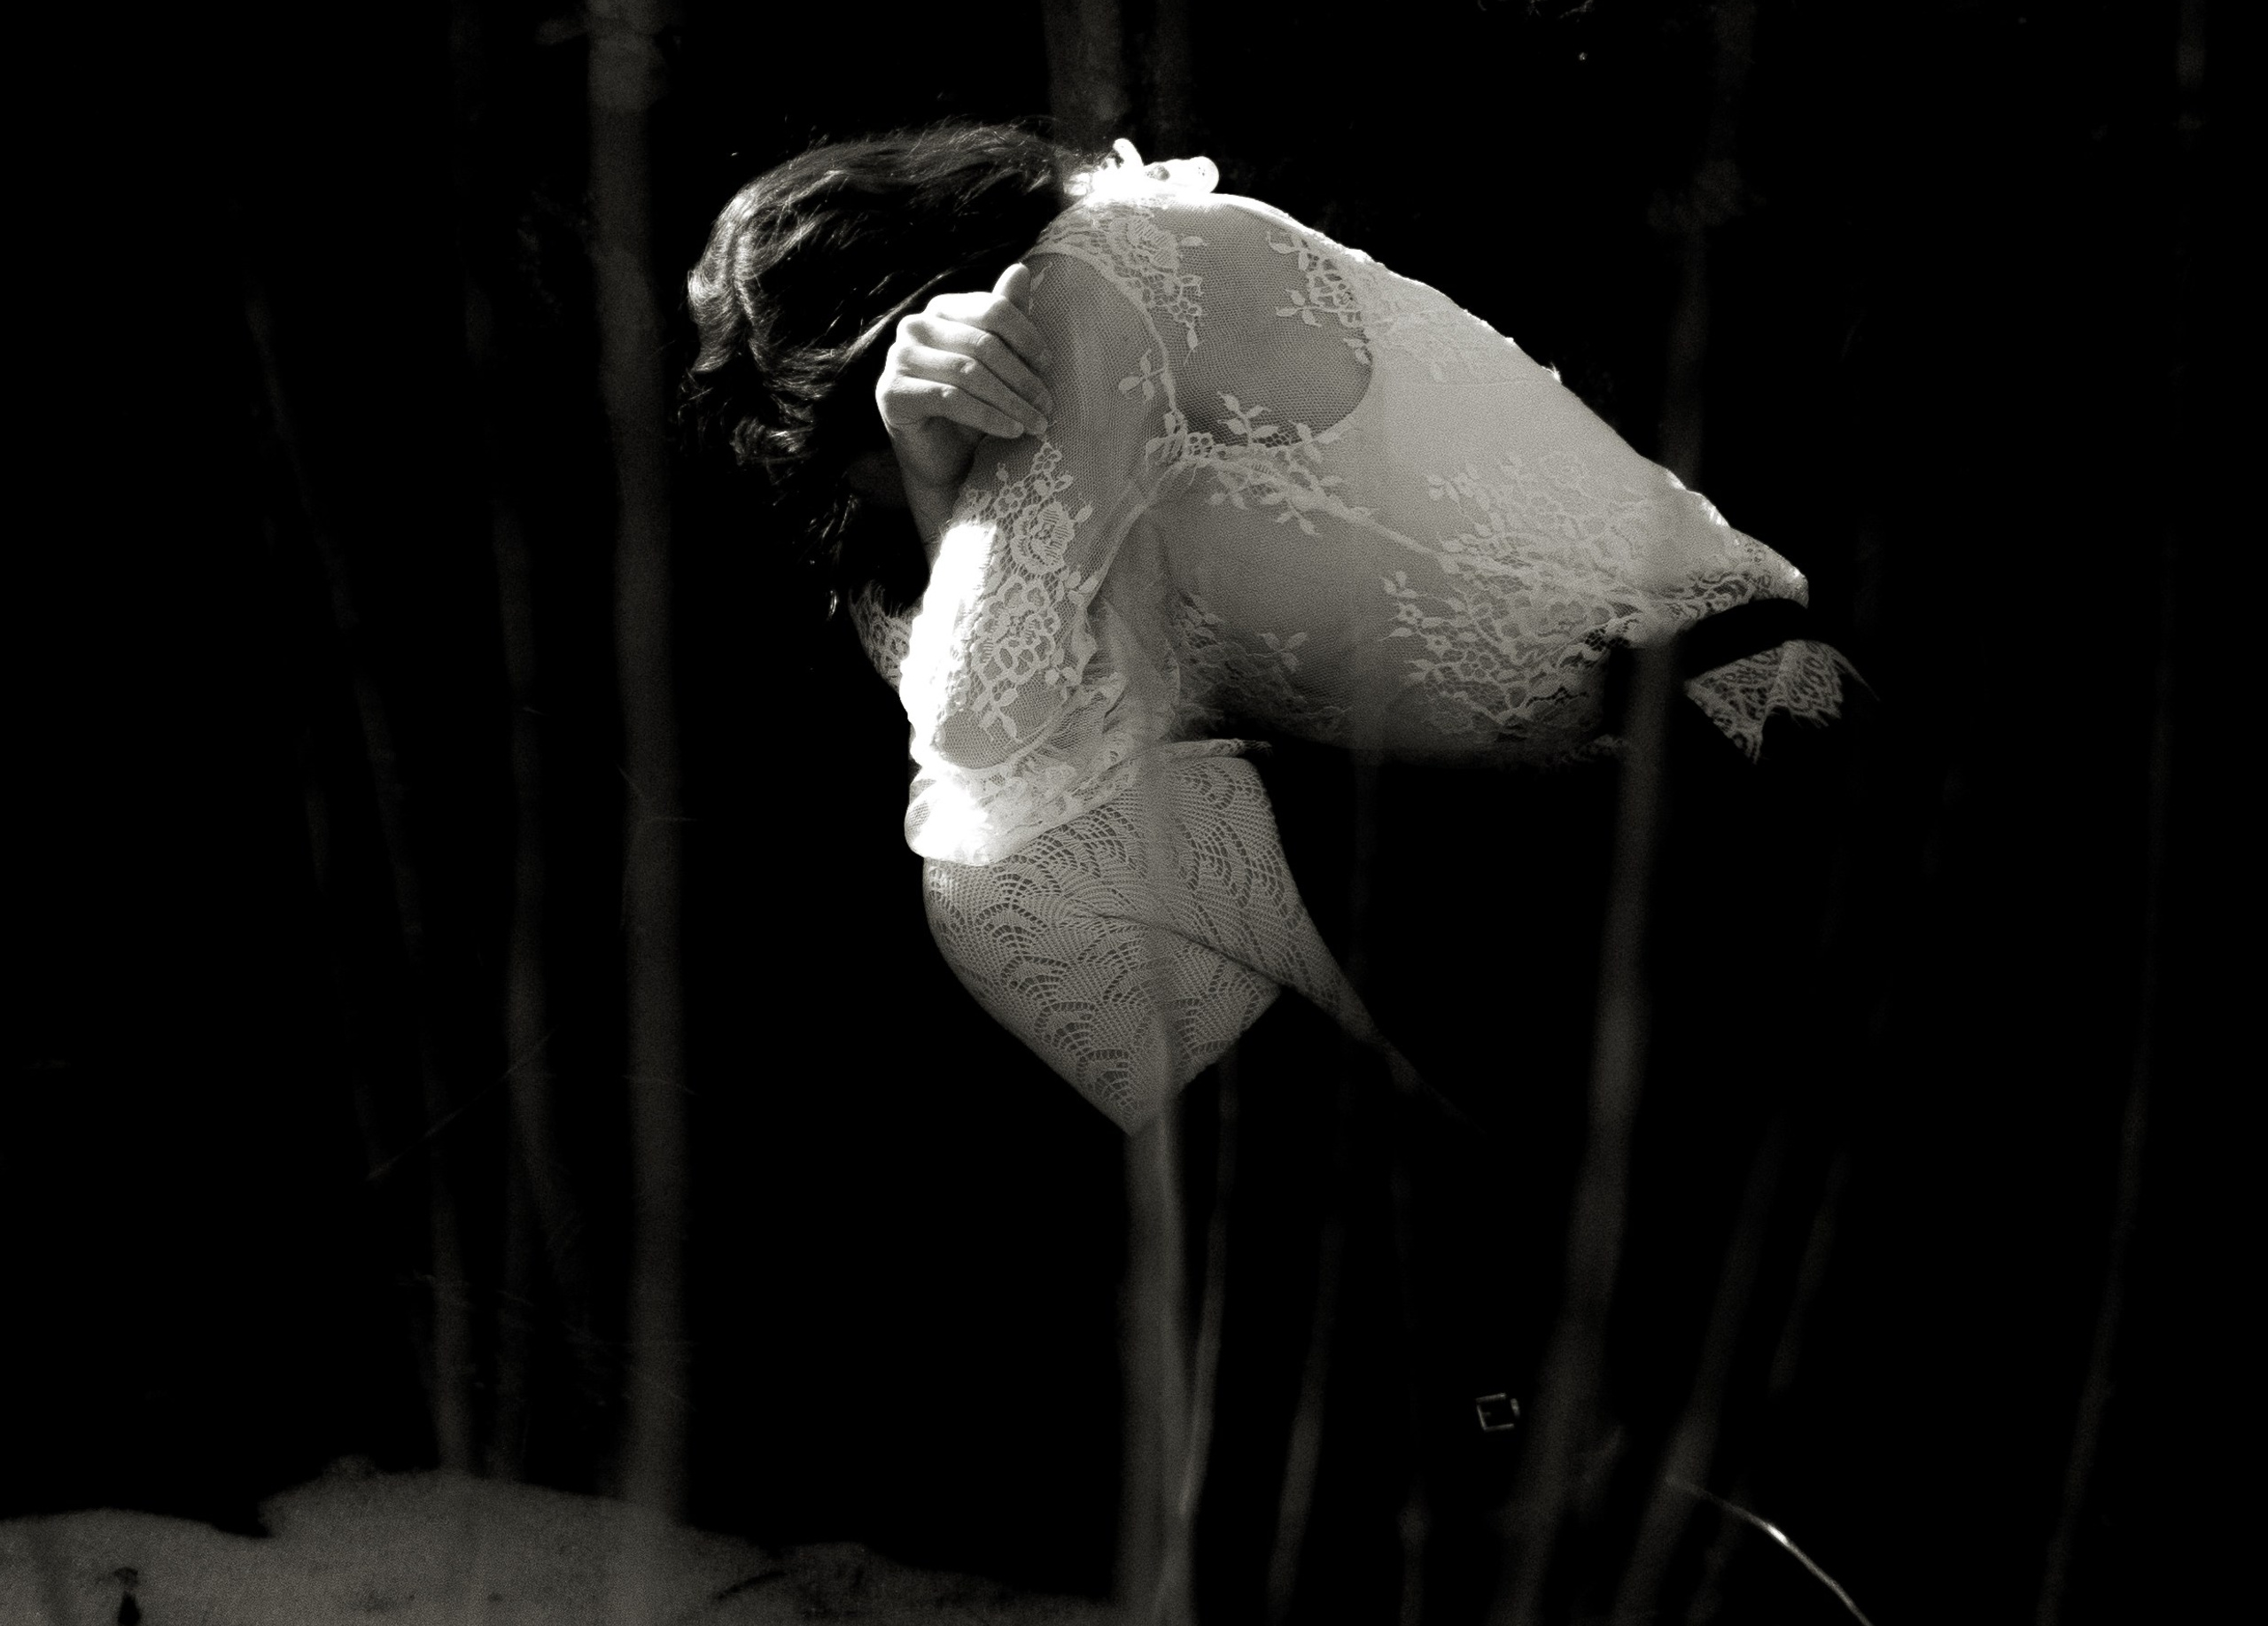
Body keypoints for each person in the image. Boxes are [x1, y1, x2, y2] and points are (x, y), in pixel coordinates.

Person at [684, 122, 1860, 1135]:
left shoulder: (1102, 276)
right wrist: (941, 502)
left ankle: (1458, 1333)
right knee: (1035, 860)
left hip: (1736, 764)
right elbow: (1017, 744)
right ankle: (1449, 1333)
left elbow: (983, 740)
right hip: (1575, 826)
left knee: (1016, 890)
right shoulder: (1064, 449)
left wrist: (937, 486)